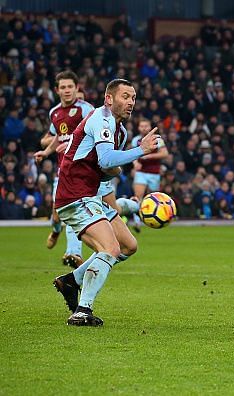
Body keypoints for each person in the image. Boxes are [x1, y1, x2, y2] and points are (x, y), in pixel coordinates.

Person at [52, 78, 159, 326]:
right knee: (110, 249)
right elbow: (108, 159)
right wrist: (141, 151)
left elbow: (105, 168)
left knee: (128, 245)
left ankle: (72, 281)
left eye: (133, 97)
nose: (131, 102)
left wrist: (115, 177)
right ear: (109, 98)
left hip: (92, 195)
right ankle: (82, 311)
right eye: (125, 96)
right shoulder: (102, 118)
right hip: (75, 195)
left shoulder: (119, 131)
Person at [34, 71, 94, 268]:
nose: (67, 90)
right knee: (57, 214)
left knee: (72, 212)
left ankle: (73, 253)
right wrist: (45, 152)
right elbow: (59, 138)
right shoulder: (55, 113)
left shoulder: (87, 110)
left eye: (70, 86)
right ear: (57, 90)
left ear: (77, 88)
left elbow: (94, 137)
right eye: (63, 87)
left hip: (82, 171)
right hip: (63, 170)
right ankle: (55, 228)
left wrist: (71, 148)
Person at [132, 118, 169, 200]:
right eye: (141, 126)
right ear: (138, 128)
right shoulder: (135, 140)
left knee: (153, 198)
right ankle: (137, 212)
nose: (144, 128)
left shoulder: (157, 139)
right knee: (138, 196)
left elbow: (165, 153)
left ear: (150, 127)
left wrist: (148, 156)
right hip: (141, 171)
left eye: (146, 126)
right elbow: (132, 154)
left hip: (154, 172)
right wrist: (135, 163)